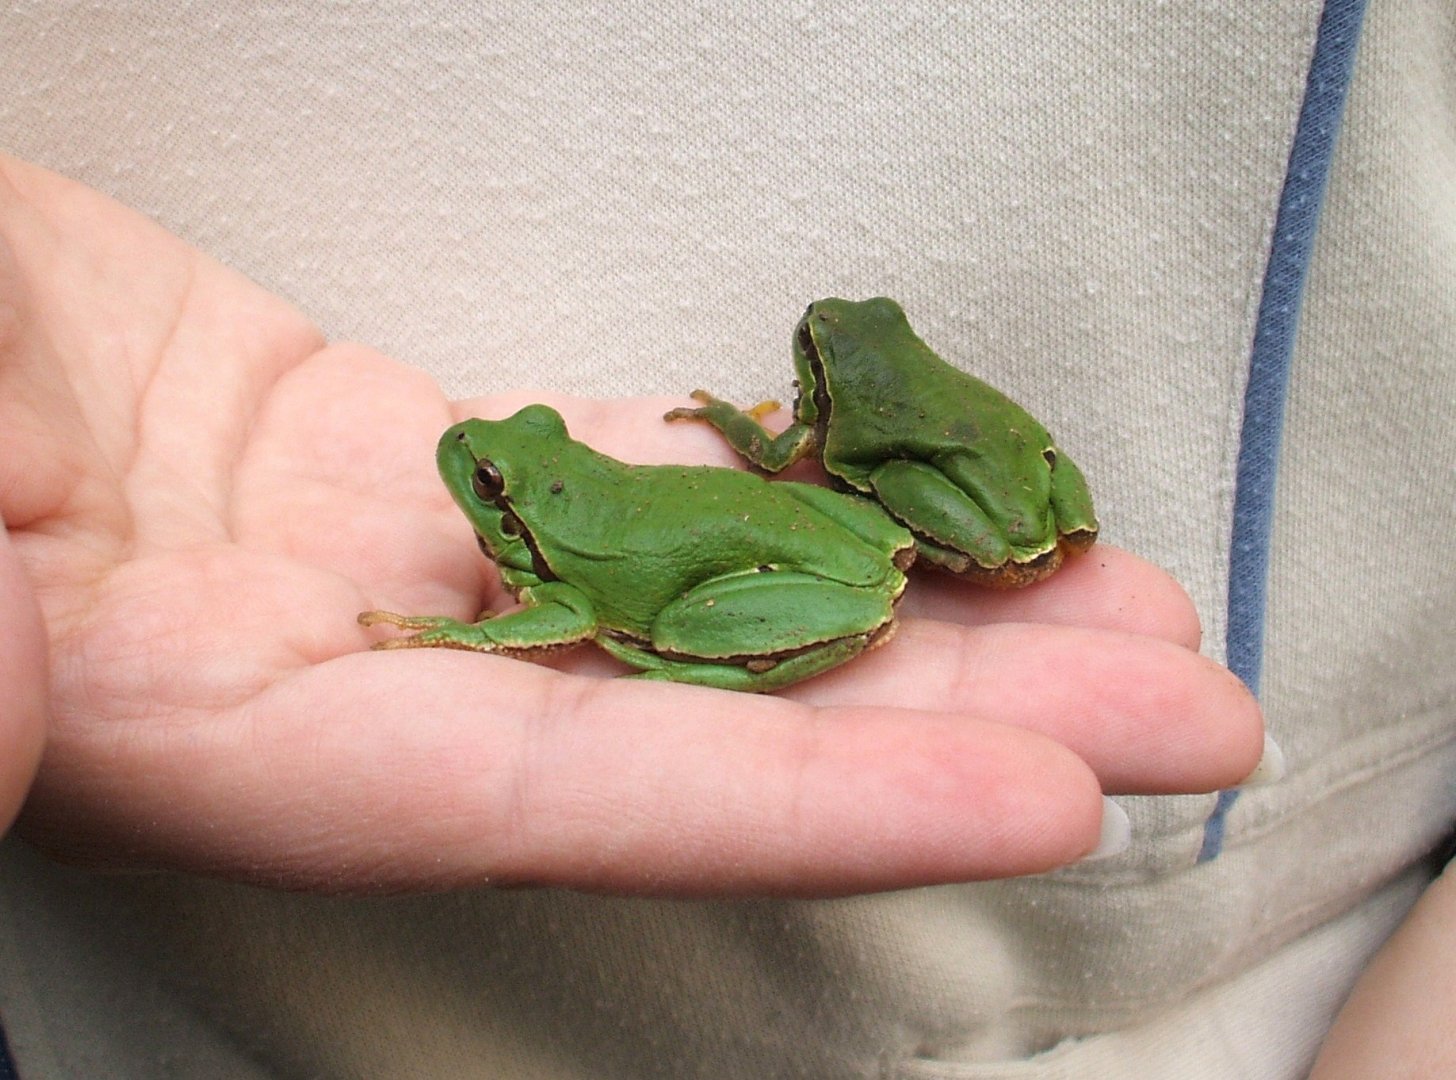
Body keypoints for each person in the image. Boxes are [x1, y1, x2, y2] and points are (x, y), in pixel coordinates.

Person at [1, 2, 1452, 1077]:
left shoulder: (550, 564)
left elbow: (553, 611)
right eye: (503, 484)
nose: (475, 485)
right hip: (157, 1021)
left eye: (494, 496)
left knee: (629, 610)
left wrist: (463, 625)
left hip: (1313, 975)